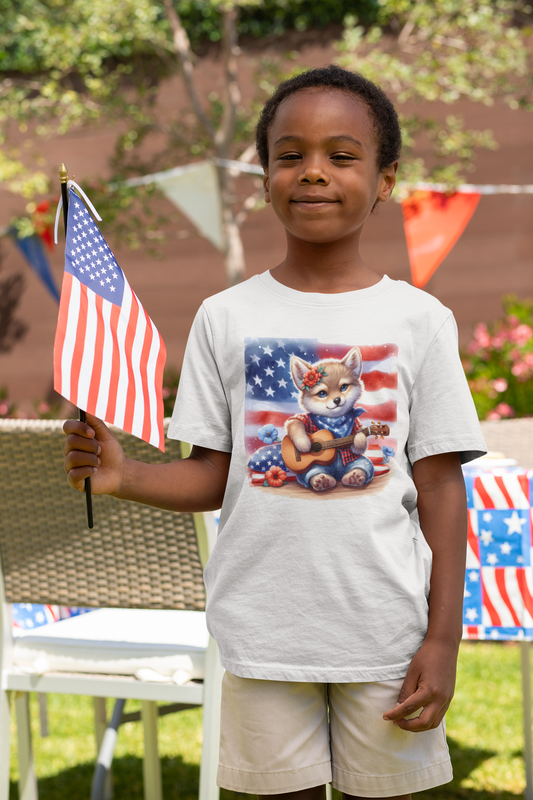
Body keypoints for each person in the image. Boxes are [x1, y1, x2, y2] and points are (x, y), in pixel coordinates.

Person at [63, 65, 487, 800]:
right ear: (263, 177)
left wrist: (441, 638)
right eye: (289, 155)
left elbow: (442, 486)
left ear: (385, 178)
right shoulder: (224, 317)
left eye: (340, 156)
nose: (312, 173)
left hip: (385, 634)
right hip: (261, 636)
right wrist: (123, 473)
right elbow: (213, 475)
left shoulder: (420, 321)